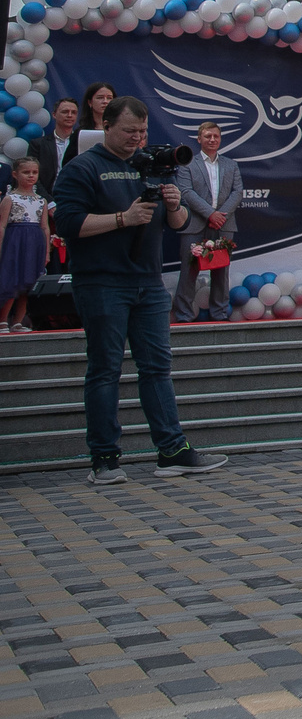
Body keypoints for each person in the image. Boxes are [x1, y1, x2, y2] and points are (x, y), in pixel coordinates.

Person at [51, 96, 228, 482]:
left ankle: (172, 451)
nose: (137, 138)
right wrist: (122, 218)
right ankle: (105, 460)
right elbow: (66, 224)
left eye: (143, 131)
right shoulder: (83, 167)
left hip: (147, 283)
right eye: (130, 131)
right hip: (101, 281)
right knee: (105, 370)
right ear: (107, 127)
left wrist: (177, 203)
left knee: (157, 368)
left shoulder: (153, 166)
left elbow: (177, 225)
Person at [171, 122, 242, 323]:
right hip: (194, 223)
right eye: (208, 136)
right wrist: (211, 214)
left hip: (224, 225)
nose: (212, 140)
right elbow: (186, 192)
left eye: (216, 136)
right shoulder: (187, 165)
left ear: (220, 139)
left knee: (221, 271)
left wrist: (221, 216)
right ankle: (183, 315)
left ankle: (219, 314)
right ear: (199, 139)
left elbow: (237, 192)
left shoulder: (231, 165)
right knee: (189, 270)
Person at [2, 155, 50, 331]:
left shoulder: (41, 200)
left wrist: (46, 252)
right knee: (12, 280)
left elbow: (45, 228)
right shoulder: (10, 199)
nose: (31, 176)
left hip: (34, 243)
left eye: (34, 172)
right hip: (15, 241)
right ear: (15, 174)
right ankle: (3, 320)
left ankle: (18, 321)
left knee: (29, 282)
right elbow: (2, 225)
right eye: (26, 172)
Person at [30, 97, 82, 201]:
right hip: (47, 200)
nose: (70, 115)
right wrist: (49, 203)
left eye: (74, 112)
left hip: (77, 198)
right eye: (65, 112)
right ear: (54, 114)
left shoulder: (82, 141)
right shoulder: (38, 144)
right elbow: (32, 177)